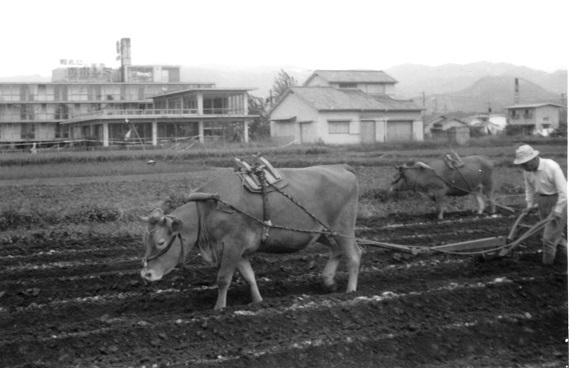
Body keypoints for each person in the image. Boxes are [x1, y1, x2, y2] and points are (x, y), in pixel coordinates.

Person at [513, 144, 567, 265]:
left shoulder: (552, 167)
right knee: (556, 237)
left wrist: (558, 210)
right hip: (542, 202)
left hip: (558, 201)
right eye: (521, 165)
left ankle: (546, 267)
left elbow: (565, 192)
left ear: (533, 158)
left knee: (548, 240)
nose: (523, 167)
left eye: (525, 164)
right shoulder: (528, 171)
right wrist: (530, 204)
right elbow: (529, 188)